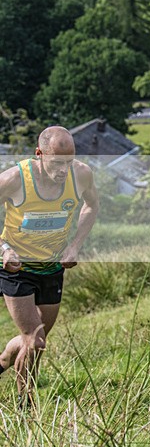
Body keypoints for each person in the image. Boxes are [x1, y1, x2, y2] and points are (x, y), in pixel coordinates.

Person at [0, 126, 99, 408]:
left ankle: (3, 362)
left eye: (68, 162)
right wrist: (4, 249)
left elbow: (91, 205)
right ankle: (25, 406)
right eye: (56, 163)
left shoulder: (80, 174)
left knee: (33, 339)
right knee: (35, 341)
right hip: (16, 268)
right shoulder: (13, 179)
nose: (63, 170)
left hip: (52, 266)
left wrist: (75, 244)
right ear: (39, 154)